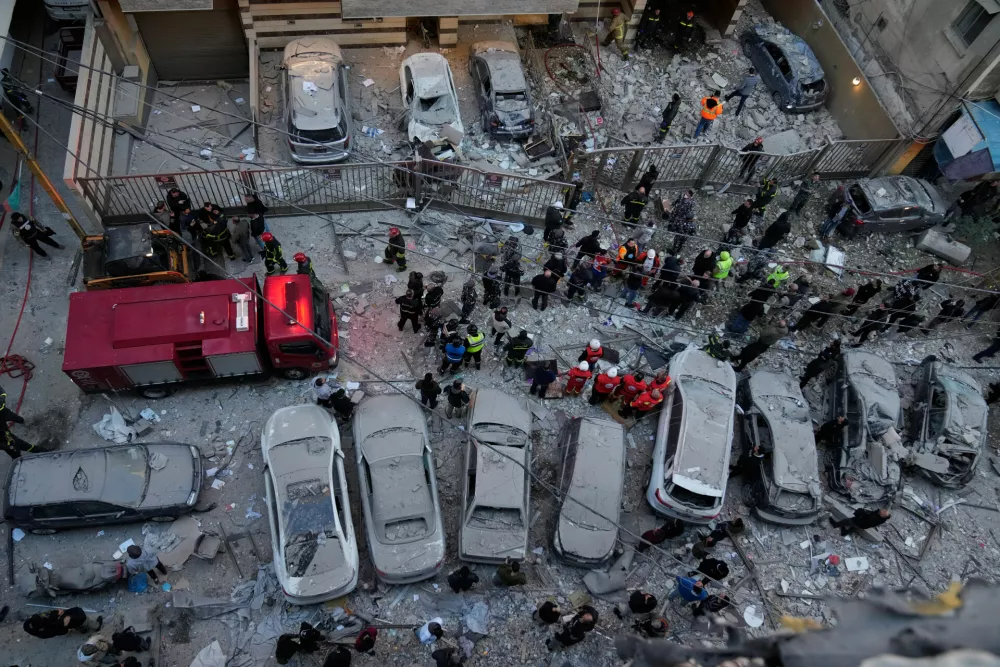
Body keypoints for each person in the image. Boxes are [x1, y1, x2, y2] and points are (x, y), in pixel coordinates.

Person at [24, 607, 102, 639]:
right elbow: (56, 625)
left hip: (59, 627)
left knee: (73, 623)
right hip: (61, 627)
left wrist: (56, 613)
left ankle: (82, 629)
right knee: (79, 618)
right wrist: (62, 621)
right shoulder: (49, 627)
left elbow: (26, 625)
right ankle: (96, 626)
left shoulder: (33, 629)